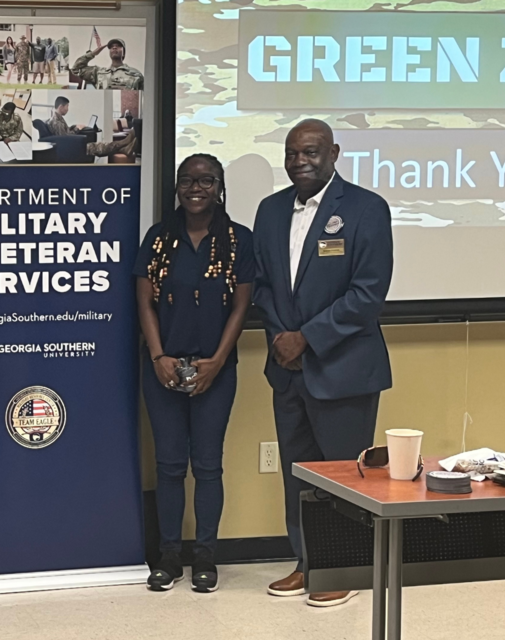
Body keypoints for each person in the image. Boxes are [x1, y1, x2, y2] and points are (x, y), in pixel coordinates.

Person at [252, 119, 393, 608]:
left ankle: (346, 567)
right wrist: (280, 338)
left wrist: (307, 338)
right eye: (292, 153)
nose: (299, 162)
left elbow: (368, 294)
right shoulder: (270, 211)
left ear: (333, 152)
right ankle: (307, 563)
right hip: (287, 370)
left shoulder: (365, 209)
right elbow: (263, 285)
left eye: (310, 152)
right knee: (299, 476)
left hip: (343, 369)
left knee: (343, 476)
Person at [134, 154, 254, 594]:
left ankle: (205, 555)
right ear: (177, 187)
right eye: (187, 180)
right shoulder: (158, 238)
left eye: (206, 180)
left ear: (220, 186)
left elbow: (241, 306)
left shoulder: (239, 240)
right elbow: (144, 300)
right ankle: (168, 555)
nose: (195, 188)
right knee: (168, 466)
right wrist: (159, 356)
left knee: (207, 466)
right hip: (162, 368)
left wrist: (218, 361)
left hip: (215, 370)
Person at [46, 96, 135, 157]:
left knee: (100, 145)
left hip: (73, 145)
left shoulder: (57, 119)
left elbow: (65, 133)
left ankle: (125, 149)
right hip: (74, 147)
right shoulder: (56, 122)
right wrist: (77, 129)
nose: (68, 109)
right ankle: (124, 142)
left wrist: (74, 126)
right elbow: (66, 139)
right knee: (101, 146)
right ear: (61, 107)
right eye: (67, 106)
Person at [71, 38, 144, 90]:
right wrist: (93, 53)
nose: (114, 47)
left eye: (118, 46)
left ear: (124, 52)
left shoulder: (135, 75)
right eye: (112, 47)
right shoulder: (99, 73)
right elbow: (76, 69)